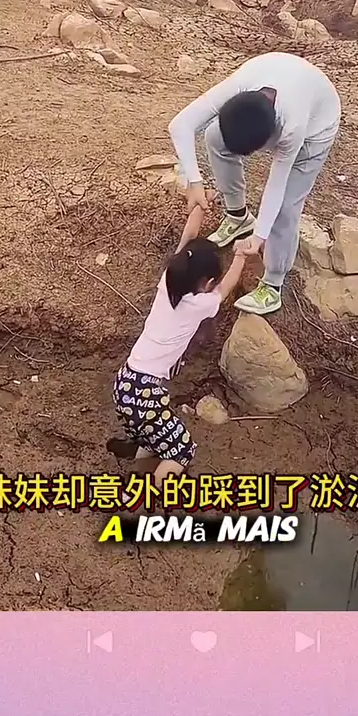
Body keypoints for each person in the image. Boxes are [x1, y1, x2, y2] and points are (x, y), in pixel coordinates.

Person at [168, 52, 341, 316]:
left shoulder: (292, 127)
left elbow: (276, 184)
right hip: (282, 74)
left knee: (286, 206)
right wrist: (194, 182)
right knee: (214, 137)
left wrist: (259, 237)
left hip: (318, 125)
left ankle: (273, 284)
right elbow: (179, 125)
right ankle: (238, 216)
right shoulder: (237, 87)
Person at [107, 193, 246, 492]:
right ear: (207, 283)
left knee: (154, 429)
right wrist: (241, 256)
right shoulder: (199, 304)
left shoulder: (168, 281)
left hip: (125, 383)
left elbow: (188, 238)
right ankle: (146, 496)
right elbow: (225, 288)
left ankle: (140, 449)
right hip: (145, 394)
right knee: (182, 450)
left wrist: (199, 206)